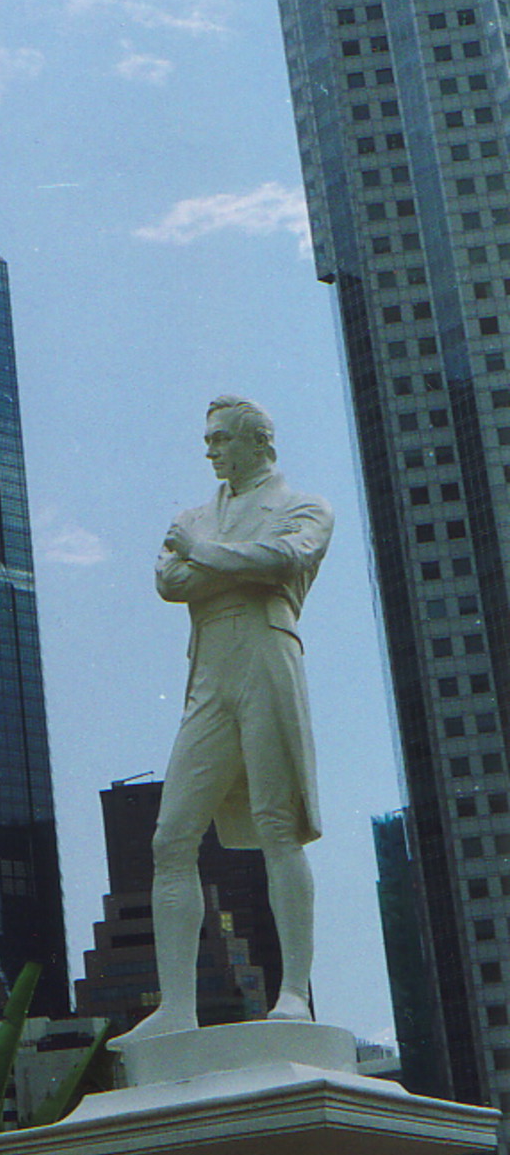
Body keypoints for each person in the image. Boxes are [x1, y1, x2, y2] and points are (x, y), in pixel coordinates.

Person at [145, 395, 333, 1034]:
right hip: (209, 673)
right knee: (171, 838)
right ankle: (175, 1009)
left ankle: (296, 993)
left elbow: (281, 562)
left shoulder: (304, 507)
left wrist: (204, 552)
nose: (210, 449)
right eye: (208, 439)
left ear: (259, 441)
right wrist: (227, 560)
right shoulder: (196, 515)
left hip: (266, 658)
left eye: (222, 438)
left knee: (279, 828)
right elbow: (171, 584)